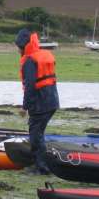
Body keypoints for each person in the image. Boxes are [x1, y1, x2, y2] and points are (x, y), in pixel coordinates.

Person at [15, 28, 60, 175]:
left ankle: (42, 167)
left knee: (36, 135)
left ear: (24, 46)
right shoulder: (43, 55)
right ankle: (40, 164)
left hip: (40, 103)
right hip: (52, 100)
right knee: (38, 133)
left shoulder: (30, 61)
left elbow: (30, 86)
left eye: (18, 47)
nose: (17, 50)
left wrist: (24, 107)